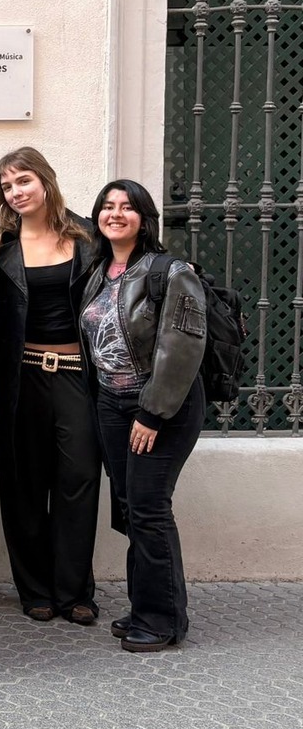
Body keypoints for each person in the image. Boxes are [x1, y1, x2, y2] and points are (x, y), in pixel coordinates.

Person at [79, 180, 206, 652]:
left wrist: (153, 413)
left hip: (160, 406)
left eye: (127, 207)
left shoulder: (170, 272)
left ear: (144, 218)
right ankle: (145, 606)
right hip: (112, 404)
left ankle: (163, 620)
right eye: (108, 206)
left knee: (150, 508)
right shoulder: (99, 271)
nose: (116, 214)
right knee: (132, 508)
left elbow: (182, 346)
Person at [0, 147, 100, 625]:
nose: (16, 192)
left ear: (45, 180)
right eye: (7, 186)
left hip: (77, 376)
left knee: (79, 481)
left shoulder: (89, 237)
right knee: (24, 484)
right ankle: (34, 589)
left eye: (24, 181)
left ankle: (74, 591)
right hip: (22, 377)